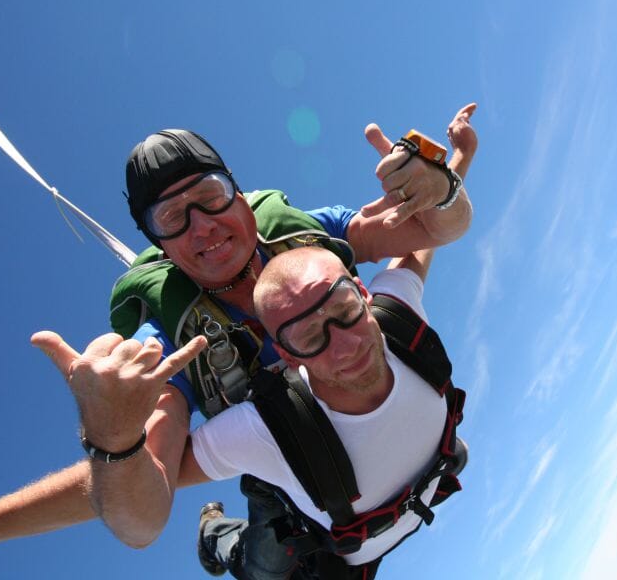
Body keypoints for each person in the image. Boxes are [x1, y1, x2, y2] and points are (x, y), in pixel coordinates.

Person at [0, 104, 477, 563]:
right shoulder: (171, 345)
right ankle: (218, 536)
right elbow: (139, 516)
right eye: (171, 218)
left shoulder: (308, 236)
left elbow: (429, 233)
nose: (201, 226)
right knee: (268, 563)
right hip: (296, 476)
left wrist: (442, 183)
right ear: (162, 249)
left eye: (210, 195)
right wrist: (114, 436)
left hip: (417, 464)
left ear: (242, 198)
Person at [41, 245, 464, 579]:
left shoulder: (399, 319)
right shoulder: (261, 430)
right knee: (262, 569)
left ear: (364, 293)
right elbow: (138, 480)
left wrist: (453, 163)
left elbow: (421, 239)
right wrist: (112, 434)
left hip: (371, 518)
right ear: (284, 354)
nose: (346, 345)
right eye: (308, 336)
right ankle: (215, 533)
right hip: (326, 546)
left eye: (345, 309)